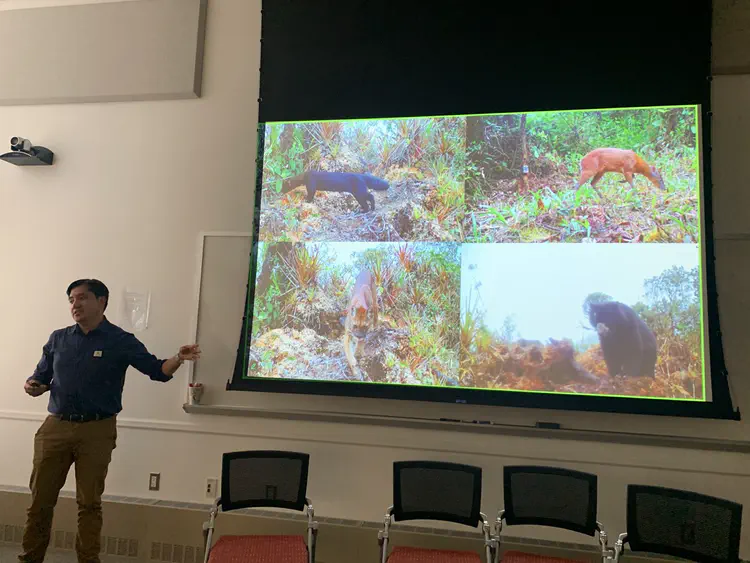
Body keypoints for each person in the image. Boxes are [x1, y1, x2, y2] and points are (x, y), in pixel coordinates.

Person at [19, 279, 201, 563]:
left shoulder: (120, 340)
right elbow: (40, 377)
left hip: (97, 429)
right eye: (71, 300)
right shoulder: (58, 338)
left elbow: (157, 370)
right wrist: (33, 385)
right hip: (55, 427)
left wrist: (178, 357)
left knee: (89, 504)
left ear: (102, 301)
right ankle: (30, 558)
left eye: (81, 298)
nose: (75, 305)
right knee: (40, 502)